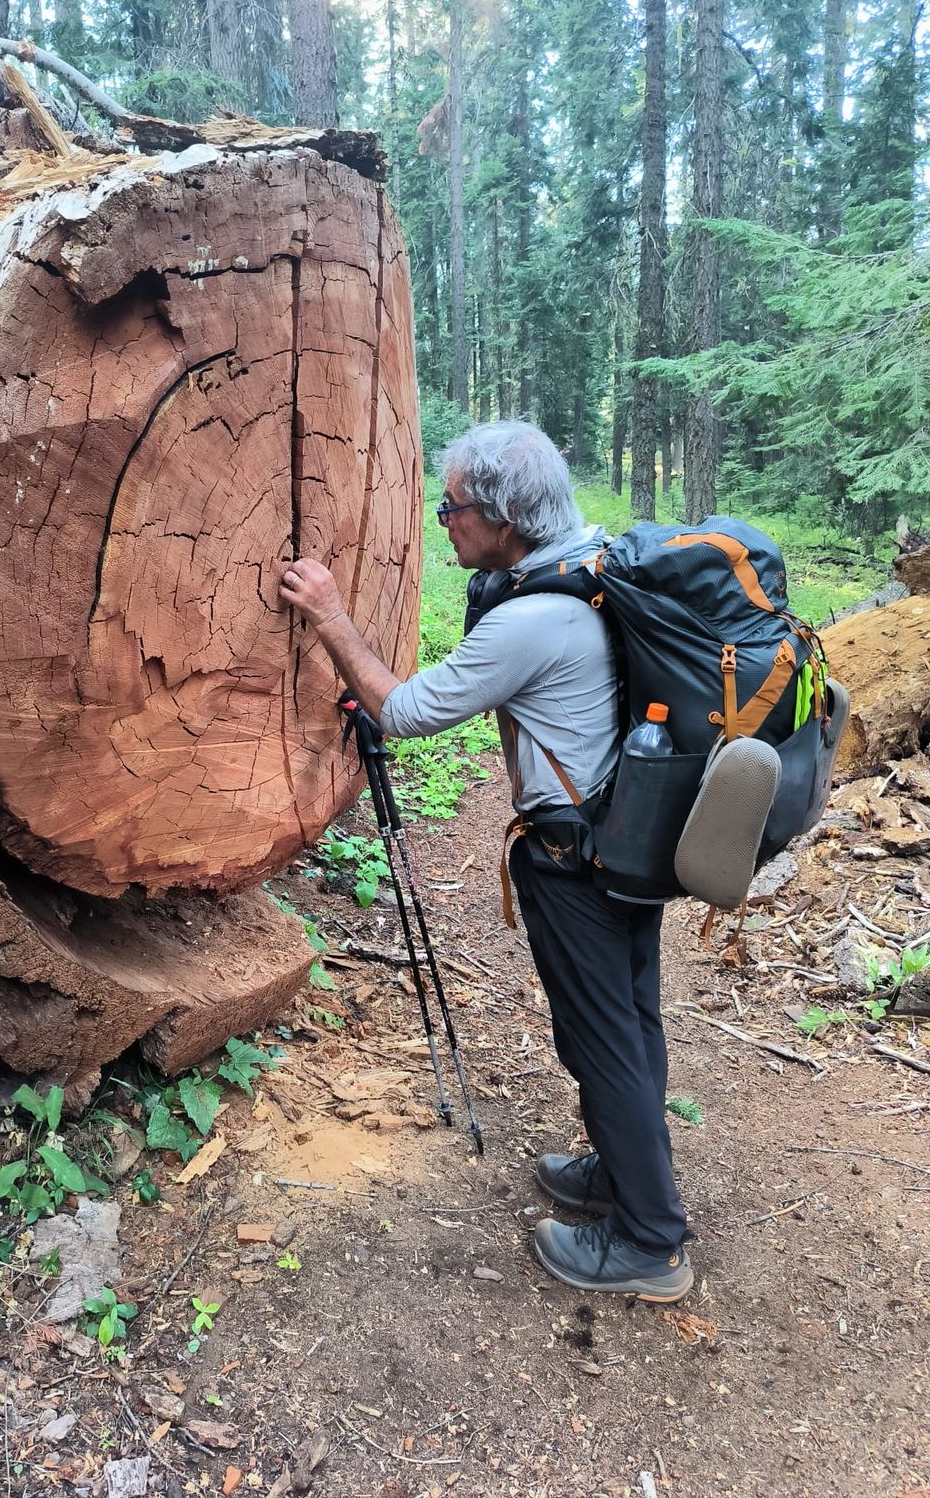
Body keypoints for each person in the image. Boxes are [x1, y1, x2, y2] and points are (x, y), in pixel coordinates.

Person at [278, 420, 692, 1301]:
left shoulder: (536, 618)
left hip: (576, 858)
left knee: (600, 1037)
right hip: (631, 834)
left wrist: (330, 616)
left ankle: (649, 1242)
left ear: (504, 518)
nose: (445, 521)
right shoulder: (592, 568)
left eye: (453, 506)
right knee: (630, 1018)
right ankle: (622, 1172)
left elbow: (405, 711)